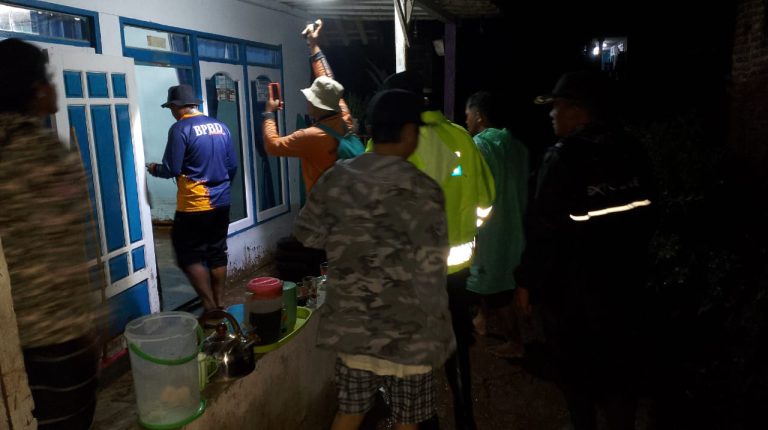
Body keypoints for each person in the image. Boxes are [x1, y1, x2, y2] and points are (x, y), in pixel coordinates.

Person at [293, 89, 455, 430]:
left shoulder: (337, 177)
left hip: (354, 330)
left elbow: (307, 234)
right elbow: (433, 266)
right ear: (409, 132)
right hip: (410, 334)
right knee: (408, 420)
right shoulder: (425, 190)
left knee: (349, 413)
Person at [514, 71, 656, 429]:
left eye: (557, 106)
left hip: (572, 295)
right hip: (626, 288)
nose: (551, 114)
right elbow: (651, 214)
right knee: (619, 372)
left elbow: (543, 228)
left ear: (579, 111)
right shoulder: (633, 149)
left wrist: (526, 283)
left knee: (575, 373)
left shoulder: (562, 158)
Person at [381, 72, 495, 430]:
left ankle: (424, 421)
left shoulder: (391, 141)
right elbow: (485, 202)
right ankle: (465, 417)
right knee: (457, 342)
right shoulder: (461, 136)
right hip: (457, 268)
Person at [0, 38, 102, 429]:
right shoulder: (43, 152)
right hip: (58, 332)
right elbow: (69, 247)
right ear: (37, 90)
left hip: (12, 336)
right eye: (50, 78)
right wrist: (96, 316)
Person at [147, 84, 237, 312]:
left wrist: (154, 168)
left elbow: (172, 168)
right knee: (217, 253)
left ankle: (209, 306)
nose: (171, 112)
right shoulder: (221, 127)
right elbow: (232, 166)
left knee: (187, 255)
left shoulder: (180, 129)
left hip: (194, 205)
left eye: (170, 107)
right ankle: (220, 302)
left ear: (177, 107)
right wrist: (223, 189)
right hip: (222, 202)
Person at [464, 91, 529, 359]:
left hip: (488, 229)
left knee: (496, 288)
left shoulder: (478, 147)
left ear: (479, 115)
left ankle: (516, 342)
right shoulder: (517, 146)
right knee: (500, 281)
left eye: (468, 114)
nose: (466, 120)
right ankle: (481, 319)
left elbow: (474, 190)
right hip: (515, 226)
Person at [262, 19, 355, 194]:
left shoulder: (310, 136)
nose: (308, 101)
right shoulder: (344, 116)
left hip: (323, 209)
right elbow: (328, 79)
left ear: (318, 106)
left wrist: (268, 114)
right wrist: (313, 45)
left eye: (311, 98)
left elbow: (273, 146)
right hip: (349, 199)